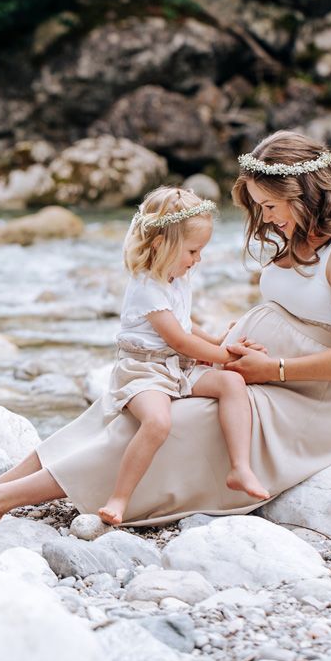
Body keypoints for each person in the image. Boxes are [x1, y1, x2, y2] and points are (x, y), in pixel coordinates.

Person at [0, 130, 331, 528]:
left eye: (269, 206)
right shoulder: (301, 237)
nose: (265, 220)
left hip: (307, 398)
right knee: (125, 404)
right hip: (257, 371)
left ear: (303, 191)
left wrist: (273, 368)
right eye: (259, 207)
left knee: (174, 423)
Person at [98, 186, 268, 526]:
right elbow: (178, 339)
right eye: (193, 250)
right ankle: (119, 497)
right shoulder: (147, 286)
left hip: (177, 367)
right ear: (161, 245)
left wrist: (219, 342)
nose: (198, 259)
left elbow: (187, 328)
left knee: (232, 383)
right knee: (158, 422)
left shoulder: (176, 279)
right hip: (145, 371)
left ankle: (240, 467)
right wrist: (222, 355)